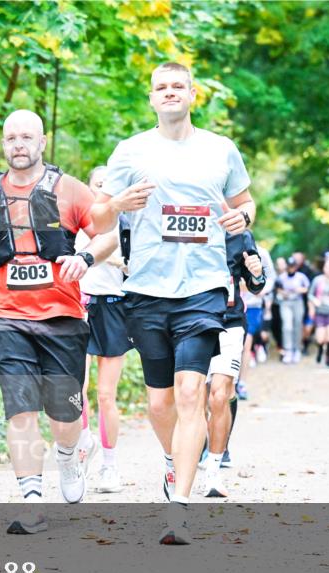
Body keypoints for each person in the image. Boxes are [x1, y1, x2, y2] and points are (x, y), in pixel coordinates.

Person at [90, 62, 253, 544]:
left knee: (190, 395)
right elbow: (96, 217)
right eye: (161, 87)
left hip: (203, 289)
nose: (169, 93)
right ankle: (171, 460)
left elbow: (245, 202)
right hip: (145, 289)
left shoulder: (220, 149)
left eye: (177, 86)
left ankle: (179, 509)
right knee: (158, 402)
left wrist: (242, 220)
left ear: (192, 94)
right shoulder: (130, 151)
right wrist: (118, 205)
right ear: (151, 97)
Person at [0, 109, 111, 535]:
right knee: (20, 409)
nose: (19, 145)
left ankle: (71, 453)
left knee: (63, 417)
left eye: (27, 137)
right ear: (4, 144)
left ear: (42, 142)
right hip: (8, 318)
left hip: (63, 317)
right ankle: (32, 502)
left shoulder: (70, 190)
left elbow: (109, 233)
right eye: (11, 138)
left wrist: (84, 256)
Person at [76, 166, 132, 494]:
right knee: (75, 389)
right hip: (79, 307)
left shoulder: (128, 226)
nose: (103, 190)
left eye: (110, 185)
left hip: (114, 309)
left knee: (106, 394)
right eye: (98, 184)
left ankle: (110, 465)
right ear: (88, 188)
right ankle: (84, 445)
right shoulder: (74, 225)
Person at [203, 231, 266, 497]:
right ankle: (197, 449)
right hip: (189, 321)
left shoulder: (239, 234)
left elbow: (256, 285)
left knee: (221, 393)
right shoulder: (182, 225)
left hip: (229, 322)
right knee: (196, 395)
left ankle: (213, 467)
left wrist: (256, 272)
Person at [235, 243, 274, 399]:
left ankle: (242, 382)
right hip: (229, 305)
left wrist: (260, 290)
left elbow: (270, 277)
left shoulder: (261, 252)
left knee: (246, 343)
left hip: (251, 306)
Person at [275, 256, 310, 363]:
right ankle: (288, 350)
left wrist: (300, 290)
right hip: (286, 303)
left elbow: (307, 288)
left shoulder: (301, 277)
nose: (291, 269)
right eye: (289, 266)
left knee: (297, 325)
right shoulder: (281, 277)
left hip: (297, 302)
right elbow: (278, 289)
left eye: (293, 266)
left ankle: (296, 349)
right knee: (287, 326)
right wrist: (284, 293)